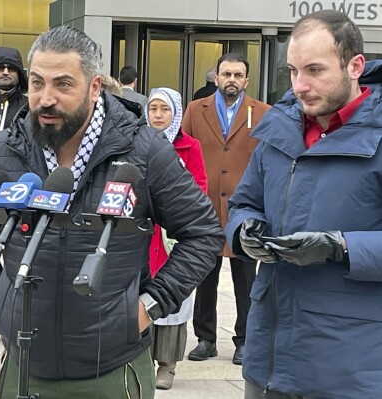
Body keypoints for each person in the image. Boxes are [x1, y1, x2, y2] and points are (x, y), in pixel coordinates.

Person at [0, 25, 224, 398]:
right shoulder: (4, 150)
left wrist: (148, 305)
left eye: (63, 84)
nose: (45, 99)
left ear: (95, 87)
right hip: (25, 369)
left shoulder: (143, 150)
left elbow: (203, 233)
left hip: (113, 369)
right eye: (36, 83)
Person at [226, 10, 382, 399]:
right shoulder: (280, 128)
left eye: (314, 70)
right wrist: (245, 231)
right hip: (267, 361)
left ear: (355, 66)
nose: (300, 85)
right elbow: (244, 202)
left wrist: (340, 247)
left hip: (349, 369)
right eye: (293, 71)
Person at [181, 53, 270, 365]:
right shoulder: (195, 110)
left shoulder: (262, 112)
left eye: (237, 75)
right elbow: (183, 154)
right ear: (215, 78)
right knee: (204, 277)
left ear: (246, 81)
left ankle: (245, 339)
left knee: (246, 279)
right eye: (226, 74)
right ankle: (205, 338)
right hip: (203, 207)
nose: (231, 79)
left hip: (244, 209)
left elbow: (268, 161)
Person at [145, 87, 207, 390]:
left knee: (173, 296)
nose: (158, 115)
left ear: (176, 113)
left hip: (173, 237)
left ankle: (167, 365)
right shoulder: (136, 144)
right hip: (143, 235)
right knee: (141, 294)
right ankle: (141, 358)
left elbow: (198, 188)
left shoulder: (189, 147)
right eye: (153, 108)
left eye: (164, 109)